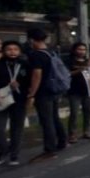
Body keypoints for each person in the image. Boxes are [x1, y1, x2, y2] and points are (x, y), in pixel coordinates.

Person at [26, 28, 67, 162]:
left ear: (32, 39)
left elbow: (37, 74)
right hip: (54, 89)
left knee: (46, 121)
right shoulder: (51, 52)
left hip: (43, 92)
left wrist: (32, 93)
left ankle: (49, 149)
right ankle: (62, 141)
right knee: (54, 118)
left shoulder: (36, 55)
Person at [0, 41, 30, 166]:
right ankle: (3, 150)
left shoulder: (25, 65)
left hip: (19, 99)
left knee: (16, 128)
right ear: (4, 51)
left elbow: (31, 80)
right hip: (1, 98)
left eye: (15, 49)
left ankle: (14, 155)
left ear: (19, 51)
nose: (12, 52)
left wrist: (22, 86)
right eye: (9, 49)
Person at [67, 42, 90, 142]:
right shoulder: (69, 61)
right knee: (74, 113)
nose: (82, 52)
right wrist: (81, 69)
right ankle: (72, 134)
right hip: (74, 91)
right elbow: (66, 74)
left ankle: (86, 131)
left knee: (88, 111)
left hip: (87, 90)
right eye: (79, 49)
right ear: (74, 50)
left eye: (83, 50)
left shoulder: (88, 61)